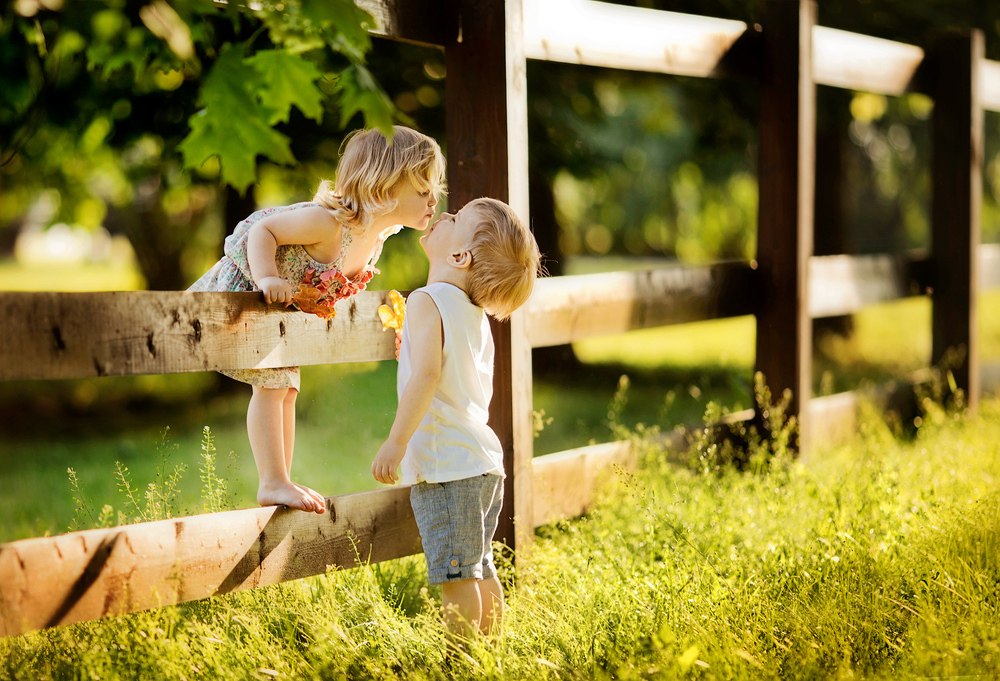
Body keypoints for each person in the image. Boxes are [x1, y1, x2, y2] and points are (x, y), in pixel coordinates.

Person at [189, 125, 445, 514]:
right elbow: (264, 231)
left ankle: (281, 479)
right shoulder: (329, 224)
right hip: (239, 294)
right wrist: (267, 278)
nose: (434, 200)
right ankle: (272, 480)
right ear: (386, 187)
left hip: (279, 314)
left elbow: (340, 286)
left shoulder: (379, 236)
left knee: (286, 389)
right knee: (273, 388)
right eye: (424, 191)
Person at [370, 197, 541, 637]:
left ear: (459, 256)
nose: (444, 214)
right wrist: (410, 345)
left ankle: (459, 660)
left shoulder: (427, 300)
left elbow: (427, 374)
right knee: (479, 568)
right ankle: (490, 651)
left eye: (456, 219)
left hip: (449, 469)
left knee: (456, 577)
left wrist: (396, 442)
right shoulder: (472, 314)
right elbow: (445, 368)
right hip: (481, 464)